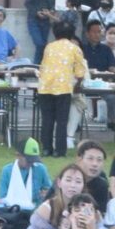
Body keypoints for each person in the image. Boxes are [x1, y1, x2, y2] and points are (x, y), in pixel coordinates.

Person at [35, 20, 85, 156]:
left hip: (45, 87)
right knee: (62, 121)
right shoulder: (75, 48)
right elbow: (80, 73)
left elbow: (43, 66)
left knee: (47, 119)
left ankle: (46, 148)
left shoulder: (49, 47)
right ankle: (59, 150)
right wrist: (78, 85)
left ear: (55, 33)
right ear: (72, 34)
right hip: (63, 88)